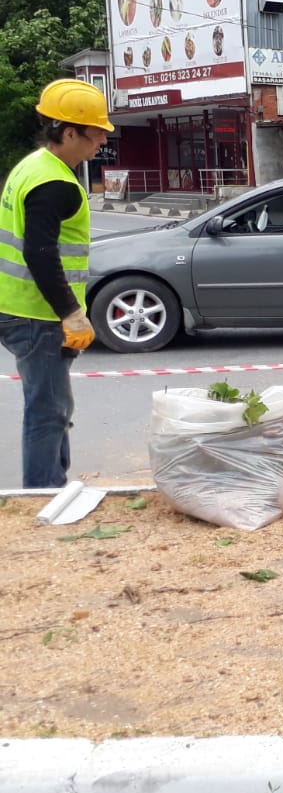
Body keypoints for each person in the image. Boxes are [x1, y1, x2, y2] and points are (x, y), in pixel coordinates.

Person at [0, 80, 112, 487]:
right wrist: (71, 313)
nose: (102, 139)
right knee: (47, 409)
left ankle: (54, 484)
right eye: (96, 131)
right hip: (36, 314)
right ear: (68, 132)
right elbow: (40, 254)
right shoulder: (55, 184)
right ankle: (44, 491)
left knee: (55, 404)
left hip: (22, 308)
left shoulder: (33, 165)